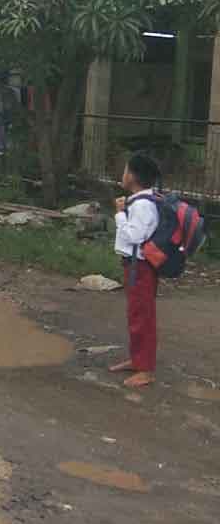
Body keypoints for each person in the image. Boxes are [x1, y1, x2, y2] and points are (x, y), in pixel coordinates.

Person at [109, 152, 162, 388]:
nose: (122, 174)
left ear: (132, 176)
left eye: (125, 170)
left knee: (142, 316)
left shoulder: (142, 205)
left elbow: (134, 235)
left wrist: (120, 214)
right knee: (135, 314)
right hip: (134, 265)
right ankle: (138, 360)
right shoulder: (141, 201)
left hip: (140, 267)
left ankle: (145, 370)